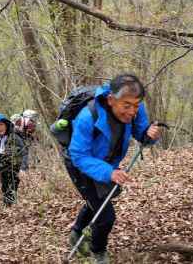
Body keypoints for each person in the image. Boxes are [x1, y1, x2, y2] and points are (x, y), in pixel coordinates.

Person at [64, 74, 161, 264]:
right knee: (106, 217)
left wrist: (150, 134)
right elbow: (79, 155)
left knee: (98, 200)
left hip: (107, 163)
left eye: (136, 106)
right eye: (126, 106)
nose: (132, 111)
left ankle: (76, 233)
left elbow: (142, 134)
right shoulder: (88, 117)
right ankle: (98, 251)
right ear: (111, 100)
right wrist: (108, 173)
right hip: (81, 166)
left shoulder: (135, 107)